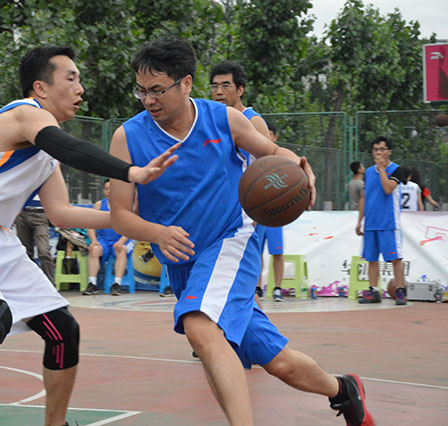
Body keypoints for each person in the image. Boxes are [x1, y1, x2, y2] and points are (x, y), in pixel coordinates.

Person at [0, 45, 180, 426]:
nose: (80, 88)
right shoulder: (23, 114)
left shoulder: (43, 152)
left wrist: (129, 218)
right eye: (71, 78)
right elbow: (69, 148)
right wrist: (130, 172)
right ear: (41, 87)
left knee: (63, 330)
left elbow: (60, 213)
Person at [109, 37, 374, 426]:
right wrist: (158, 232)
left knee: (199, 325)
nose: (148, 100)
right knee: (278, 361)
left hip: (230, 241)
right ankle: (344, 390)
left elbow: (274, 154)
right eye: (141, 91)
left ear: (186, 83)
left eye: (157, 90)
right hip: (183, 262)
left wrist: (302, 168)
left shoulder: (224, 119)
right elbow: (119, 216)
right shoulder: (127, 137)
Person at [209, 62, 285, 303]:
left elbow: (268, 167)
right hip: (221, 210)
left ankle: (254, 324)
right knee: (227, 283)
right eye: (214, 86)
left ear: (240, 89)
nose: (218, 92)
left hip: (247, 211)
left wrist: (258, 209)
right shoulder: (213, 121)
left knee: (244, 282)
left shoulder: (253, 121)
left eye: (225, 86)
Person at [355, 136, 408, 307]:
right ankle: (373, 291)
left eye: (382, 149)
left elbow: (388, 189)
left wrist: (381, 168)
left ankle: (400, 291)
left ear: (389, 151)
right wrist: (359, 221)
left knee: (395, 258)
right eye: (375, 149)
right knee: (371, 259)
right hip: (371, 222)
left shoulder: (398, 170)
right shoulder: (369, 172)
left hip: (389, 222)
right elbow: (364, 197)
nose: (378, 152)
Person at [82, 179, 133, 296]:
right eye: (106, 189)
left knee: (121, 249)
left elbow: (131, 228)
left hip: (121, 240)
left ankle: (117, 284)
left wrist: (121, 242)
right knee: (94, 249)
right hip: (104, 240)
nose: (109, 191)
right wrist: (94, 241)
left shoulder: (125, 205)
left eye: (111, 189)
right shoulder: (99, 205)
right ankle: (92, 283)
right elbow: (91, 226)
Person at [15, 194, 55, 284]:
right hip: (22, 213)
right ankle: (28, 282)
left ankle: (50, 284)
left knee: (44, 251)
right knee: (25, 252)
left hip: (41, 213)